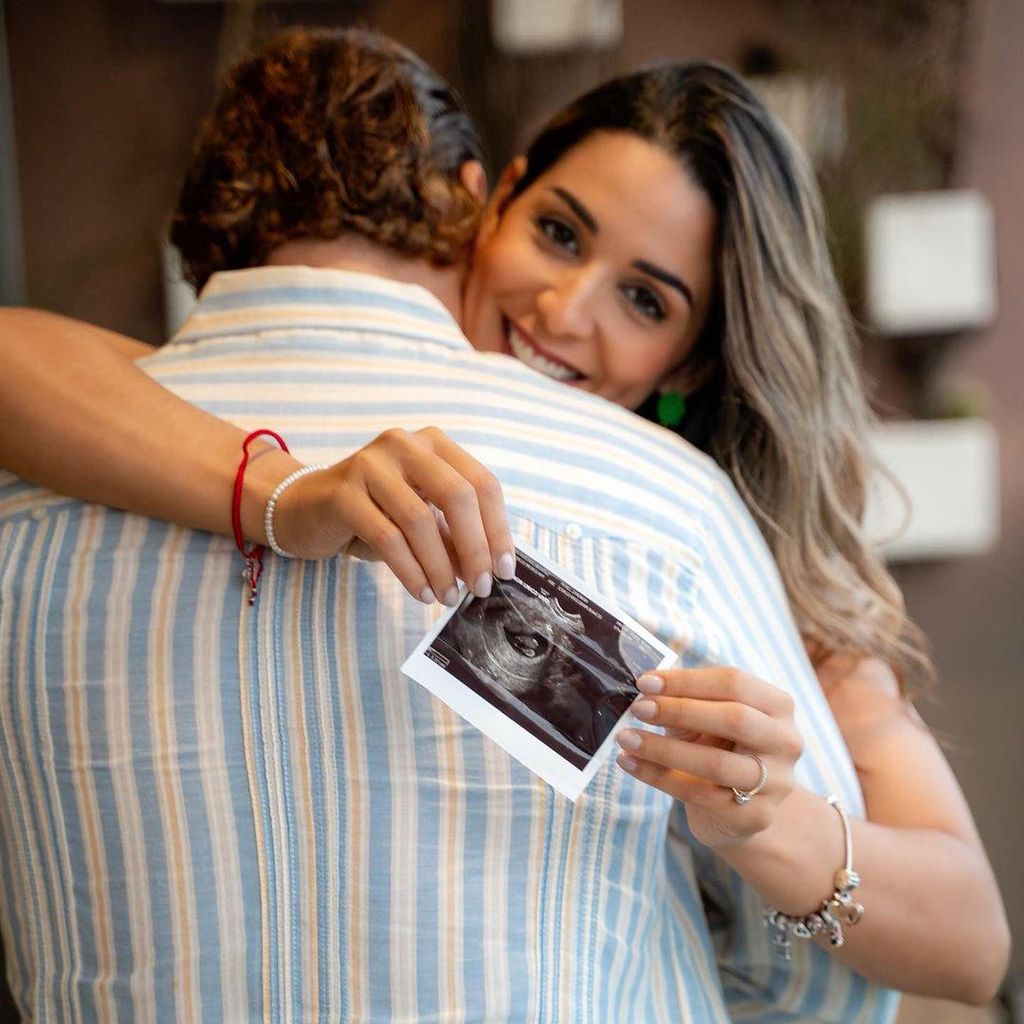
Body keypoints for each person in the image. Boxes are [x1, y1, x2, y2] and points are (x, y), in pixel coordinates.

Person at [0, 25, 1007, 1016]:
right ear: (490, 202)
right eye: (558, 233)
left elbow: (971, 945)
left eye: (645, 302)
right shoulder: (149, 430)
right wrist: (279, 488)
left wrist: (763, 826)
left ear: (691, 362)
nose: (565, 311)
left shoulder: (716, 531)